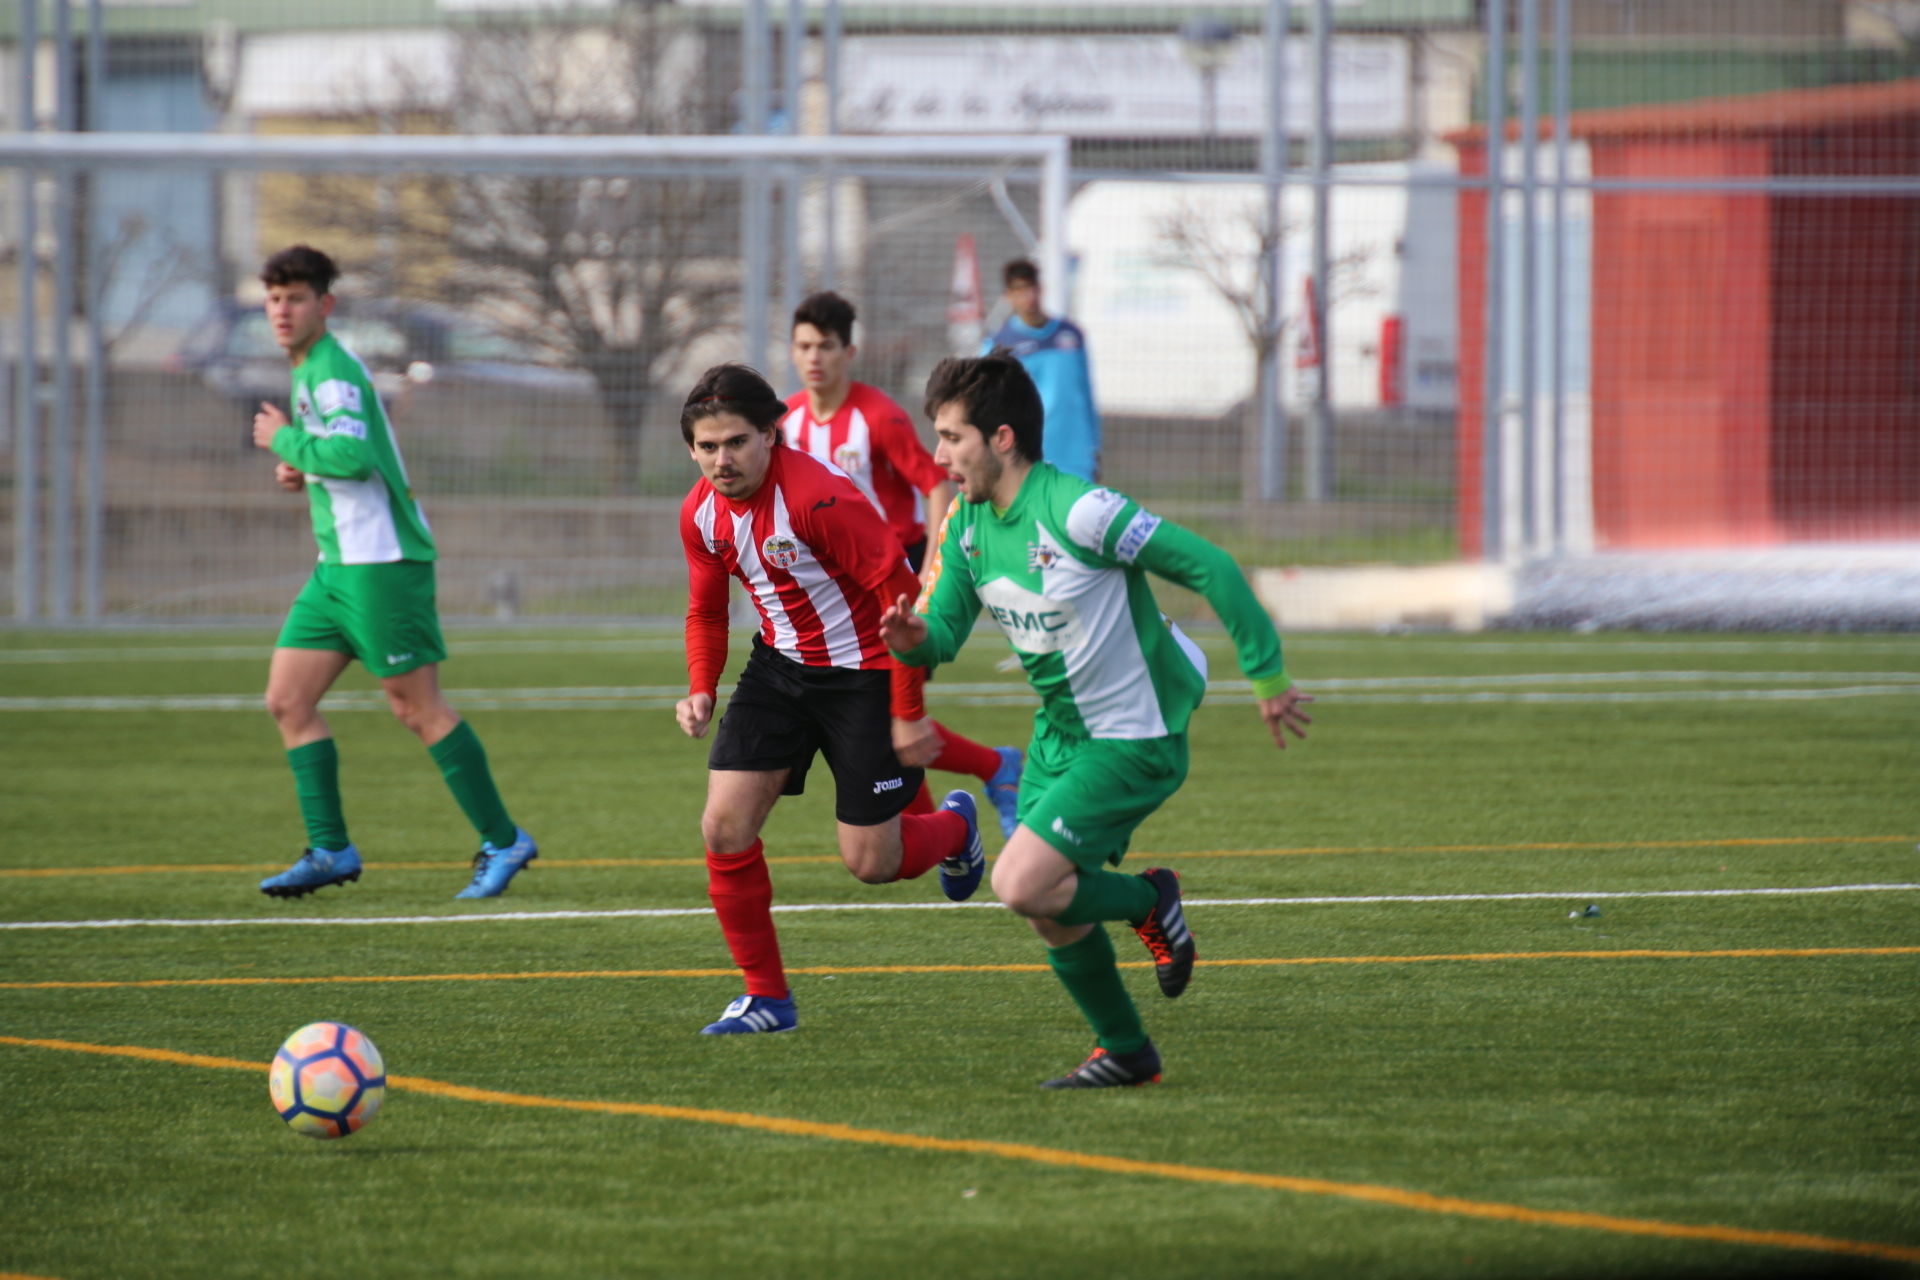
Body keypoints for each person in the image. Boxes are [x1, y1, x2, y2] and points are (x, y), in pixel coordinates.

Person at [881, 354, 1312, 1089]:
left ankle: (1151, 899)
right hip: (1060, 738)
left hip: (1133, 736)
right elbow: (944, 629)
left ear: (1003, 437)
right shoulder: (968, 525)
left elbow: (1210, 566)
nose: (939, 455)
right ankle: (1127, 1051)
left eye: (953, 438)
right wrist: (915, 641)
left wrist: (1266, 675)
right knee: (1046, 904)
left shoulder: (1080, 510)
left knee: (1019, 882)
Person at [675, 363, 984, 1037]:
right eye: (706, 447)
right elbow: (706, 610)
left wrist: (906, 708)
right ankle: (768, 1001)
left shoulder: (818, 498)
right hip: (779, 669)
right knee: (722, 827)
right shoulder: (699, 514)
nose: (721, 460)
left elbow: (899, 599)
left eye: (736, 443)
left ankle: (958, 825)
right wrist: (701, 688)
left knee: (873, 863)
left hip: (867, 673)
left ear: (771, 434)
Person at [249, 245, 536, 901]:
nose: (282, 311)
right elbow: (348, 459)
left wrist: (284, 442)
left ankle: (504, 839)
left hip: (380, 564)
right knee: (288, 700)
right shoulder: (308, 370)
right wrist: (304, 469)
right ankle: (330, 849)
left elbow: (350, 456)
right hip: (337, 570)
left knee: (417, 708)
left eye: (295, 298)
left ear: (325, 304)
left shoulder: (331, 372)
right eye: (274, 299)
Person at [784, 290, 1025, 835]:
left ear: (850, 350)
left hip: (893, 577)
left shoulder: (879, 418)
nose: (813, 357)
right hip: (833, 590)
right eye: (803, 346)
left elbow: (935, 482)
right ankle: (986, 781)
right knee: (880, 712)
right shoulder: (788, 421)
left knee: (885, 708)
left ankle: (954, 815)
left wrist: (930, 568)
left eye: (825, 345)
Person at [982, 259, 1101, 484]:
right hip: (1028, 456)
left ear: (1041, 288)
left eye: (1032, 288)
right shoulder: (998, 344)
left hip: (1075, 455)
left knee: (1079, 518)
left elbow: (1087, 394)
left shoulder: (1071, 336)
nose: (1029, 296)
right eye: (1020, 289)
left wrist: (1094, 447)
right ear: (1009, 295)